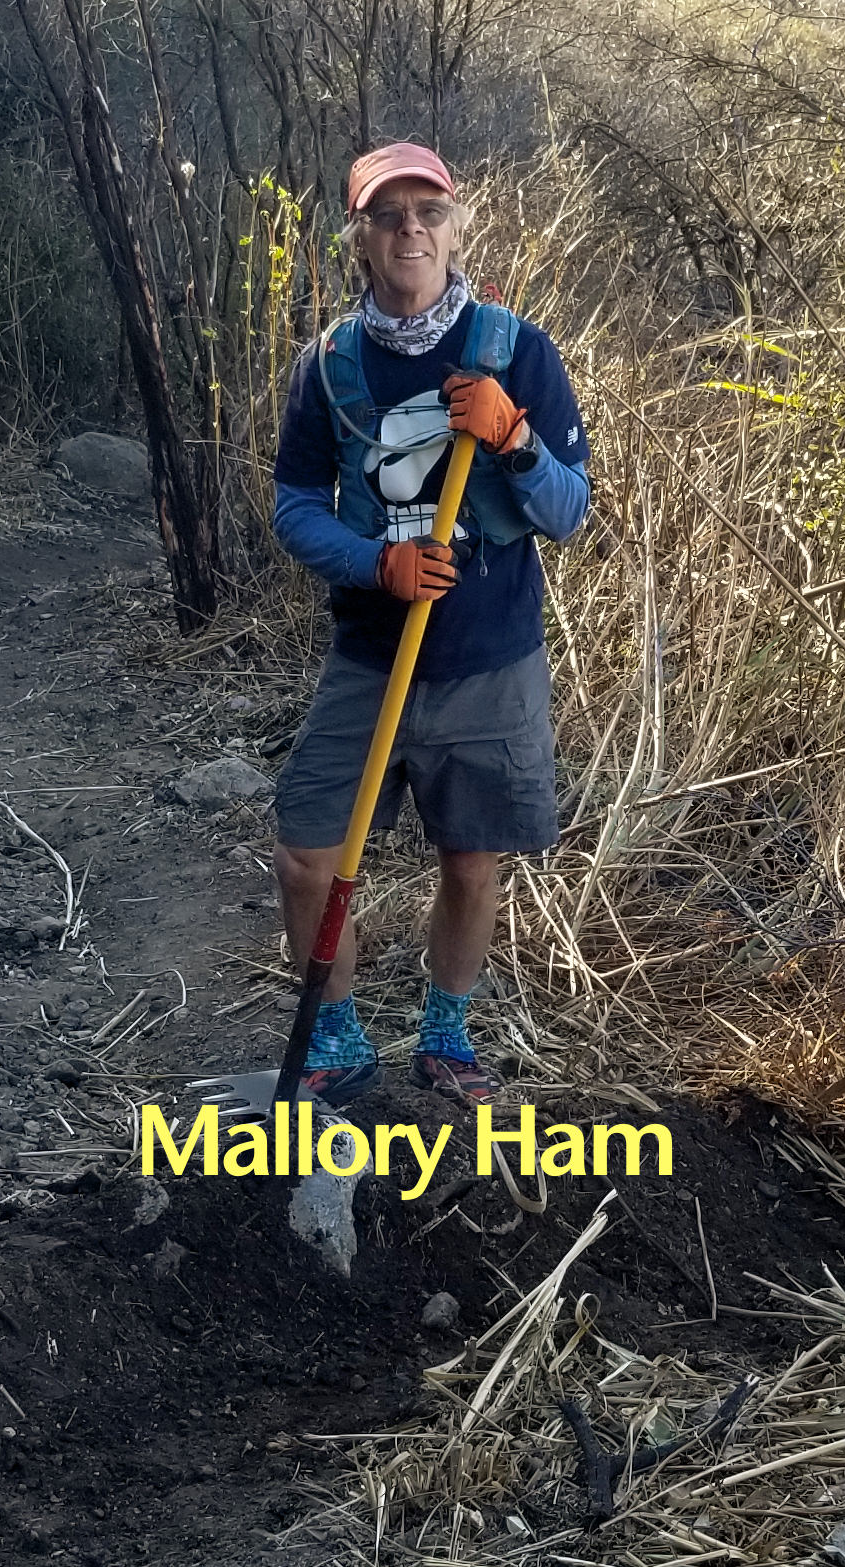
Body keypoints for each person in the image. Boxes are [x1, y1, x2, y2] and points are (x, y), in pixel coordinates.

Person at [266, 141, 591, 1108]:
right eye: (388, 213)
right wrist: (378, 563)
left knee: (471, 856)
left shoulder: (516, 351)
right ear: (360, 236)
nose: (411, 228)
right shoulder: (328, 367)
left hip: (489, 657)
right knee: (304, 853)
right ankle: (336, 1034)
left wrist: (516, 438)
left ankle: (447, 1035)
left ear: (456, 225)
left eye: (428, 211)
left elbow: (570, 511)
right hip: (372, 653)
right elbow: (292, 505)